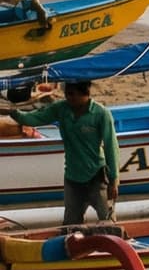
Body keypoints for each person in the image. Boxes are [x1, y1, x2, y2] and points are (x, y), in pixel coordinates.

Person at [5, 77, 118, 225]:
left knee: (108, 221)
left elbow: (111, 147)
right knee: (70, 223)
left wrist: (114, 180)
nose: (68, 98)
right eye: (67, 94)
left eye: (72, 94)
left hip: (96, 176)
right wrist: (13, 112)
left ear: (85, 93)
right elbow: (34, 119)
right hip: (72, 177)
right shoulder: (61, 108)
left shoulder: (101, 114)